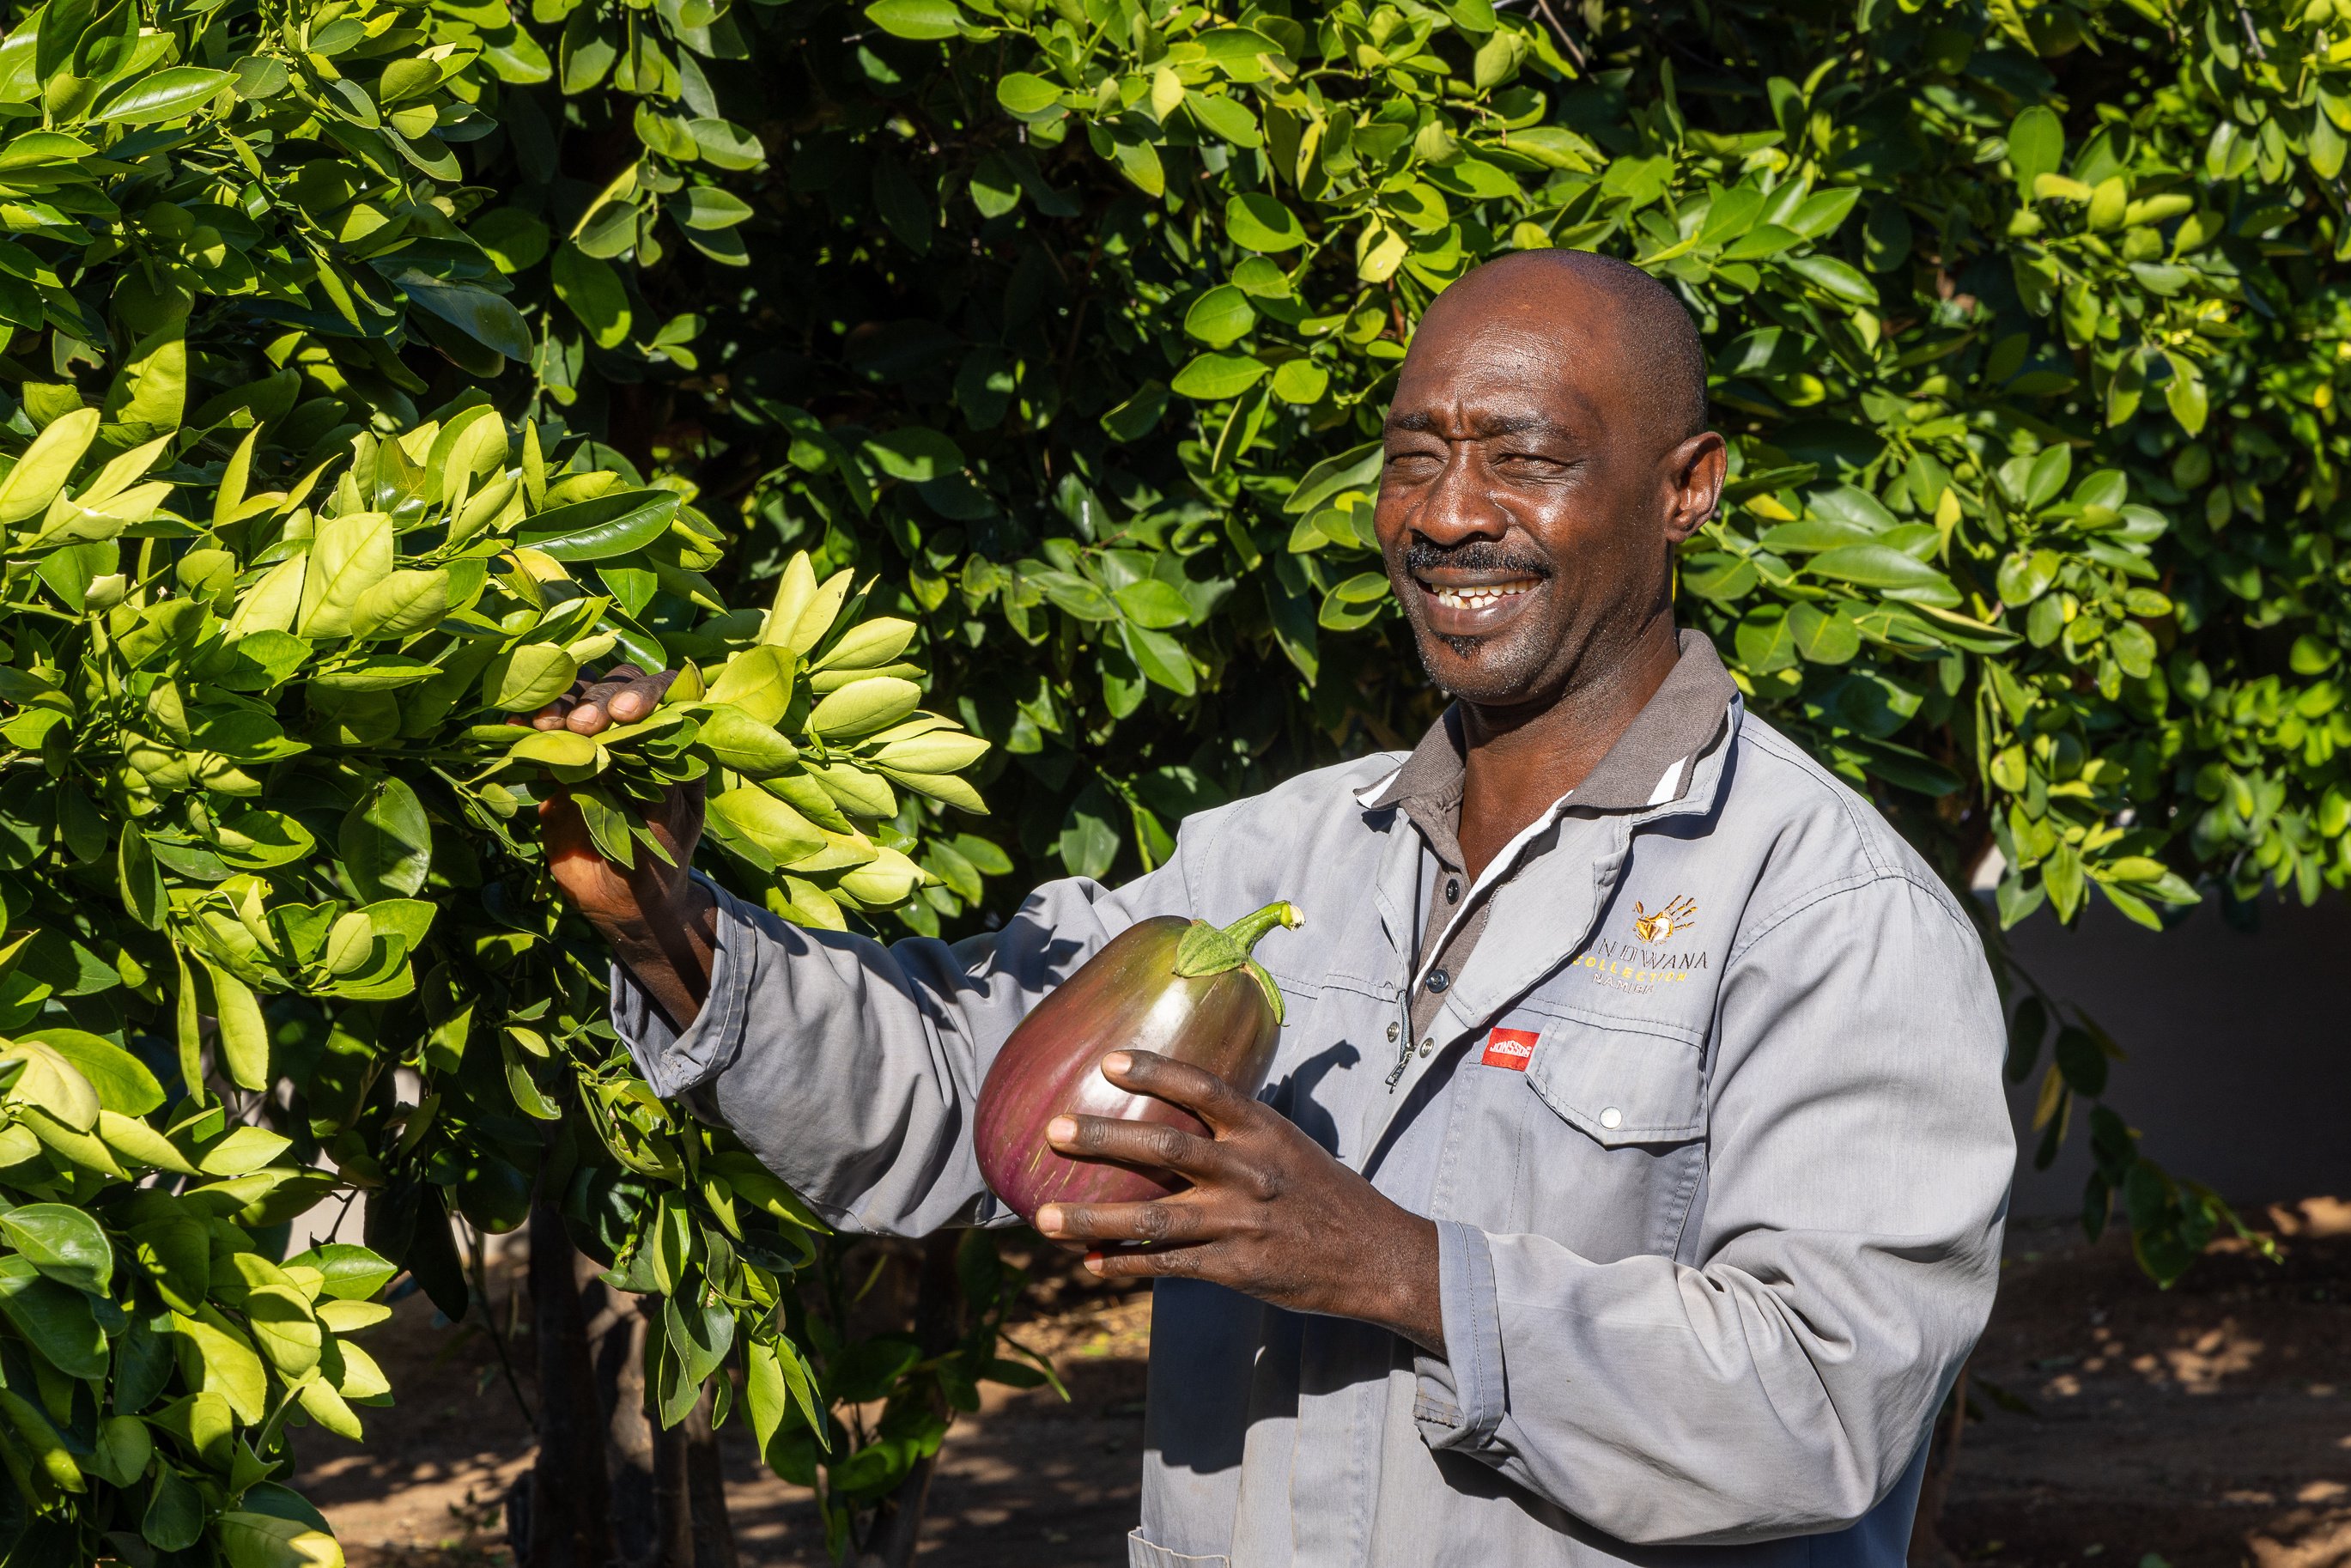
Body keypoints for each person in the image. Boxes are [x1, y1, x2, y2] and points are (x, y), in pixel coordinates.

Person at [525, 250, 2014, 1567]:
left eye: (1520, 455)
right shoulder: (1274, 861)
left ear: (1685, 488)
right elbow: (970, 1079)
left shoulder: (1826, 914)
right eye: (1412, 454)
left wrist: (1398, 1268)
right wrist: (666, 921)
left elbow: (1823, 1409)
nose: (1445, 513)